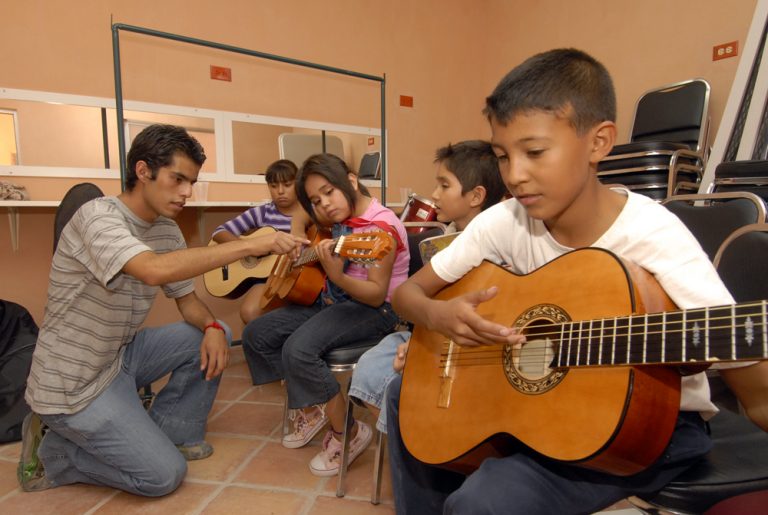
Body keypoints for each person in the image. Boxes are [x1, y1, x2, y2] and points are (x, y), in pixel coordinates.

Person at [384, 48, 768, 514]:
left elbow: (752, 382)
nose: (515, 175)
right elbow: (407, 293)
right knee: (406, 396)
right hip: (541, 411)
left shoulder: (653, 236)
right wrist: (437, 317)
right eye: (504, 156)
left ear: (599, 142)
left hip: (650, 428)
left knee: (489, 498)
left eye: (535, 152)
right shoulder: (505, 221)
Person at [18, 124, 307, 497]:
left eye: (192, 182)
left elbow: (187, 302)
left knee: (212, 328)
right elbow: (152, 269)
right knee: (162, 477)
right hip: (73, 384)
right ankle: (54, 453)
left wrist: (213, 328)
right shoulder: (98, 218)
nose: (187, 192)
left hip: (120, 357)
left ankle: (173, 433)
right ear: (143, 171)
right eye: (178, 179)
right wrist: (254, 245)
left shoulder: (166, 231)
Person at [241, 153, 410, 476]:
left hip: (378, 309)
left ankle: (346, 431)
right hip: (338, 301)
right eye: (317, 201)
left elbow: (375, 294)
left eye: (329, 192)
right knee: (256, 334)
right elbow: (304, 214)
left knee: (299, 349)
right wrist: (297, 244)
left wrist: (337, 277)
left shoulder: (380, 227)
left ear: (350, 180)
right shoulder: (339, 217)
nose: (325, 205)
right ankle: (316, 402)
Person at [349, 139, 507, 434]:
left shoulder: (498, 240)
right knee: (371, 365)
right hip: (431, 328)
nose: (435, 195)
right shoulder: (446, 236)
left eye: (444, 186)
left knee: (402, 385)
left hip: (470, 342)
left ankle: (421, 435)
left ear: (476, 196)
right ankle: (410, 437)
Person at [211, 159, 302, 323]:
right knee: (249, 312)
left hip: (296, 275)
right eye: (274, 186)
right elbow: (219, 232)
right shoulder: (263, 213)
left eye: (287, 184)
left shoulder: (309, 213)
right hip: (266, 277)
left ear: (298, 184)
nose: (280, 191)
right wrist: (248, 248)